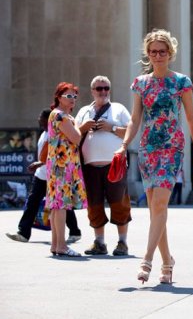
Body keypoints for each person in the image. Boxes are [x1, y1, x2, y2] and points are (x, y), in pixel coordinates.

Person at [115, 29, 193, 284]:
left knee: (159, 206)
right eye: (153, 52)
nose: (158, 56)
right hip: (148, 148)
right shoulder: (141, 83)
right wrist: (124, 145)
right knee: (156, 209)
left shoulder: (181, 82)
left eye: (162, 52)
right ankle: (168, 261)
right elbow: (135, 119)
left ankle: (147, 260)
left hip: (171, 147)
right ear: (148, 54)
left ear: (170, 54)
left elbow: (191, 118)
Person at [75, 76, 132, 256]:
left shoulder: (118, 109)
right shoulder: (84, 111)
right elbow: (74, 135)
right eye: (99, 89)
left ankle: (122, 242)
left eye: (106, 88)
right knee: (94, 204)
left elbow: (131, 132)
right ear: (92, 91)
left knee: (119, 203)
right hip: (89, 166)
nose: (103, 92)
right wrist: (84, 127)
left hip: (114, 165)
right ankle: (99, 243)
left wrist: (111, 128)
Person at [6, 109, 82, 243]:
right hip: (40, 175)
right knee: (32, 203)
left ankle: (75, 232)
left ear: (48, 120)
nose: (38, 120)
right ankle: (23, 233)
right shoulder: (43, 133)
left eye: (41, 118)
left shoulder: (54, 134)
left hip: (53, 175)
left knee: (61, 205)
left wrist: (38, 163)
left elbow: (54, 154)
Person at [45, 82, 88, 257]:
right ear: (58, 97)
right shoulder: (60, 116)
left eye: (75, 97)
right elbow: (76, 137)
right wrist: (82, 126)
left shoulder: (61, 115)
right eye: (68, 96)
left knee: (56, 206)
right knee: (61, 205)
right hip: (61, 165)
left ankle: (56, 245)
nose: (72, 100)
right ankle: (61, 245)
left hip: (59, 164)